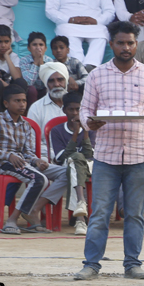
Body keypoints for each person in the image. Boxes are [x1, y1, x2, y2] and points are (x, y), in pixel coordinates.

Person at [75, 20, 144, 279]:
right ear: (111, 44)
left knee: (135, 214)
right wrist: (89, 123)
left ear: (136, 44)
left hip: (140, 155)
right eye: (121, 43)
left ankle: (132, 264)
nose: (126, 48)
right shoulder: (97, 75)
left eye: (130, 43)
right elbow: (85, 110)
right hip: (106, 155)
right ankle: (91, 264)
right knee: (100, 213)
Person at [0, 84, 55, 234]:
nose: (22, 104)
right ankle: (12, 220)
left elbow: (28, 152)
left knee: (57, 175)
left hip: (22, 163)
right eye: (17, 101)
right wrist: (8, 155)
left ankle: (31, 214)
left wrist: (37, 160)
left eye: (24, 101)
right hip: (3, 163)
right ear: (6, 103)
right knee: (39, 179)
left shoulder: (26, 125)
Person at [50, 91, 94, 235]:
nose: (75, 113)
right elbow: (62, 157)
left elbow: (89, 155)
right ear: (64, 110)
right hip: (68, 165)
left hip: (90, 166)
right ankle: (81, 217)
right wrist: (75, 134)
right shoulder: (57, 130)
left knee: (76, 161)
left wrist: (84, 131)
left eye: (78, 109)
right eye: (71, 109)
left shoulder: (91, 129)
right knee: (74, 161)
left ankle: (80, 208)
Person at [27, 61, 70, 127]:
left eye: (60, 80)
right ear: (46, 84)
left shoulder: (79, 104)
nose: (56, 84)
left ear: (66, 81)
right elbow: (32, 133)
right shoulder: (36, 108)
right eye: (51, 81)